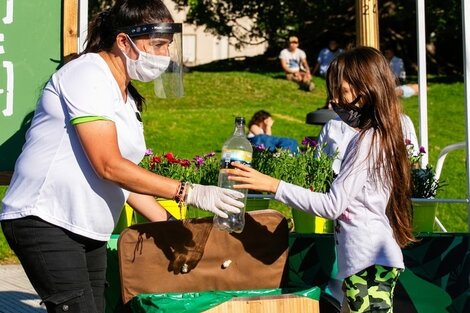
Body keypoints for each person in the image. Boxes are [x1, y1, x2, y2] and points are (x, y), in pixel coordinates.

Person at [0, 1, 244, 312]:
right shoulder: (87, 73)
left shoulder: (127, 97)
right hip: (45, 217)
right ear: (123, 41)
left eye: (168, 46)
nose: (163, 56)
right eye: (156, 44)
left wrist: (168, 226)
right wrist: (189, 192)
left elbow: (126, 178)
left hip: (87, 226)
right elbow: (108, 165)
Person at [229, 46, 415, 313]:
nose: (335, 101)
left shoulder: (367, 140)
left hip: (368, 261)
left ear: (366, 89)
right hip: (369, 260)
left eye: (342, 91)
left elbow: (332, 206)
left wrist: (273, 185)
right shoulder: (378, 136)